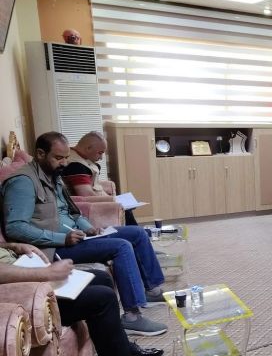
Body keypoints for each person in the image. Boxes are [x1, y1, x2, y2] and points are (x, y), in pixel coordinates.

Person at [2, 132, 167, 336]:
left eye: (66, 157)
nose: (64, 163)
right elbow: (15, 227)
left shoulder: (53, 175)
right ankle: (132, 316)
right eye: (58, 158)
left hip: (76, 236)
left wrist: (87, 227)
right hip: (52, 248)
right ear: (41, 154)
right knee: (121, 247)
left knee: (136, 233)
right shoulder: (23, 182)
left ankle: (151, 290)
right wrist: (62, 238)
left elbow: (71, 212)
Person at [0, 241, 164, 356]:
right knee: (102, 298)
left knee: (101, 278)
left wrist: (11, 246)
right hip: (19, 294)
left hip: (24, 274)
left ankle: (122, 350)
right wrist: (46, 273)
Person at [61, 130, 138, 225]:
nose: (101, 157)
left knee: (127, 206)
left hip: (100, 199)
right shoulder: (76, 166)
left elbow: (92, 185)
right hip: (94, 207)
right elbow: (86, 194)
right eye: (100, 153)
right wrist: (114, 201)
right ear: (88, 148)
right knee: (126, 208)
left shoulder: (77, 155)